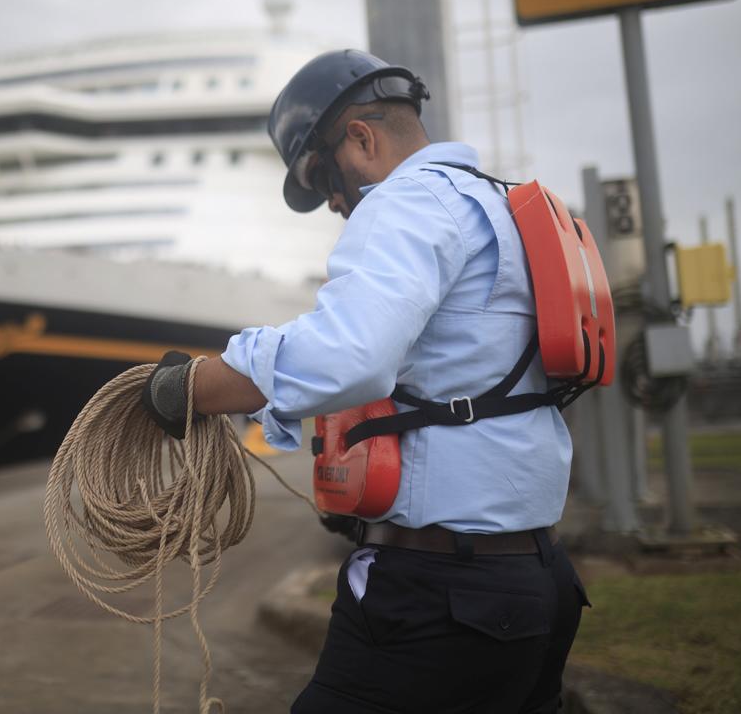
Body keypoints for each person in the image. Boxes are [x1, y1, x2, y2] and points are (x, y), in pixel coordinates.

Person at [142, 49, 589, 713]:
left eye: (322, 172)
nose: (330, 198)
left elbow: (346, 356)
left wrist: (193, 389)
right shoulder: (498, 204)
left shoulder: (406, 203)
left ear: (361, 137)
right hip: (536, 579)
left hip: (438, 594)